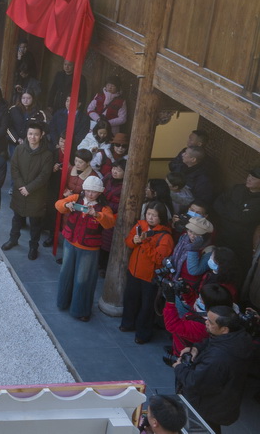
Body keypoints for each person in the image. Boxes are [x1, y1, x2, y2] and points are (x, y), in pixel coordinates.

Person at [173, 306, 254, 432]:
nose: (206, 322)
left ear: (224, 329)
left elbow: (194, 382)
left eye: (210, 322)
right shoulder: (239, 336)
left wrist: (179, 367)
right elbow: (212, 341)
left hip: (208, 406)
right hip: (222, 402)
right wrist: (196, 348)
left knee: (203, 428)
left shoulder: (219, 358)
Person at [55, 175, 116, 321]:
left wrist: (97, 214)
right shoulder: (75, 198)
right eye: (88, 190)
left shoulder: (103, 208)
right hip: (70, 243)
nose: (90, 194)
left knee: (83, 279)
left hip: (89, 249)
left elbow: (109, 223)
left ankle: (80, 310)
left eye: (93, 192)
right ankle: (63, 302)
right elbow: (58, 204)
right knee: (65, 274)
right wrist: (66, 205)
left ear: (99, 193)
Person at [120, 201, 174, 343]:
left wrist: (145, 243)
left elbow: (159, 259)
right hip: (134, 271)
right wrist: (134, 240)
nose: (150, 218)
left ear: (161, 217)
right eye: (149, 214)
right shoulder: (140, 226)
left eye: (154, 216)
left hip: (150, 277)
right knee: (130, 299)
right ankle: (127, 323)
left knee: (147, 307)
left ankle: (142, 334)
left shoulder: (165, 237)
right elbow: (128, 242)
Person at [2, 122, 55, 260]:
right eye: (30, 133)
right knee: (16, 218)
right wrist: (21, 187)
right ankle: (13, 240)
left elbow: (44, 175)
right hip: (20, 191)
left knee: (35, 224)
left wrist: (29, 188)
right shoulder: (19, 149)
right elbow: (14, 169)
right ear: (26, 134)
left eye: (36, 134)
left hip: (36, 194)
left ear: (41, 135)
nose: (33, 137)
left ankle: (33, 246)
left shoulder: (47, 154)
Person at [213, 165, 260, 277]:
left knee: (233, 269)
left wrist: (228, 207)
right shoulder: (238, 188)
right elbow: (217, 202)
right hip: (221, 233)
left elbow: (242, 218)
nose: (249, 179)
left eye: (253, 178)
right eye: (249, 175)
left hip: (240, 243)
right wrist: (235, 212)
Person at [7, 91, 47, 156]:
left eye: (28, 98)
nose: (25, 100)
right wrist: (18, 139)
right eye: (23, 98)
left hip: (31, 144)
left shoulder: (39, 113)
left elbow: (44, 129)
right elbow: (8, 126)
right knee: (15, 162)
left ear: (33, 99)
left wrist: (30, 140)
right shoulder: (13, 110)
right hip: (15, 143)